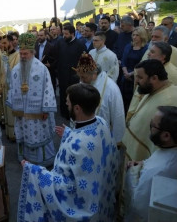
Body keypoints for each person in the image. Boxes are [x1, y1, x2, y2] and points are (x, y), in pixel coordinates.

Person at [18, 83, 118, 222]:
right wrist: (70, 134)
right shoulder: (102, 123)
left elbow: (67, 188)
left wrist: (34, 171)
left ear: (77, 108)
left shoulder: (75, 145)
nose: (66, 104)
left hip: (85, 206)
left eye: (68, 103)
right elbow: (97, 151)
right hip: (100, 195)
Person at [7, 33, 57, 166]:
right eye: (21, 54)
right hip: (22, 113)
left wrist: (46, 109)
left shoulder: (42, 69)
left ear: (32, 52)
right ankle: (25, 159)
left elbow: (48, 89)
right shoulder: (16, 70)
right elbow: (12, 87)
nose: (23, 56)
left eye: (25, 54)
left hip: (39, 114)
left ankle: (43, 160)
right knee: (24, 134)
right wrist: (14, 105)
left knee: (40, 135)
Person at [125, 106, 177, 222]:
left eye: (153, 126)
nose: (150, 129)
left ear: (166, 136)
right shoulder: (170, 149)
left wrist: (132, 172)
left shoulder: (158, 170)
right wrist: (142, 163)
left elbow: (138, 204)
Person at [123, 59, 177, 161]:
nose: (136, 81)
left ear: (154, 78)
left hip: (144, 160)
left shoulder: (169, 101)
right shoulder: (152, 89)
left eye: (140, 77)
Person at [75, 53, 125, 142]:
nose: (81, 80)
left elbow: (118, 115)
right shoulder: (84, 82)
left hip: (102, 137)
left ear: (94, 74)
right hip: (82, 134)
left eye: (84, 77)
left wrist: (117, 140)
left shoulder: (111, 89)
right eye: (80, 77)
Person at [55, 24, 86, 119]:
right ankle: (64, 113)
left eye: (66, 34)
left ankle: (73, 115)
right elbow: (58, 58)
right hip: (62, 75)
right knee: (63, 94)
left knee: (73, 96)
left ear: (72, 34)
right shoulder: (60, 42)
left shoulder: (80, 44)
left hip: (74, 77)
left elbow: (83, 61)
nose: (64, 36)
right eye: (63, 33)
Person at [120, 27, 148, 113]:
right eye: (133, 35)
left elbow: (143, 64)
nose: (134, 37)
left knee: (133, 101)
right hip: (125, 77)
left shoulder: (145, 48)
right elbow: (123, 61)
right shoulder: (129, 46)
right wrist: (126, 73)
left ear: (142, 36)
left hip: (137, 78)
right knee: (123, 100)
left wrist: (131, 74)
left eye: (137, 35)